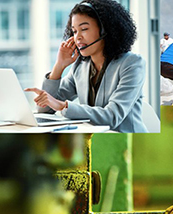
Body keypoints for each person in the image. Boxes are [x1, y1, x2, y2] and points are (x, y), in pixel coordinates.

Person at [25, 0, 148, 133]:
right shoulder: (80, 66)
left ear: (105, 30)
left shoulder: (132, 64)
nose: (78, 37)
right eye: (74, 31)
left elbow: (112, 116)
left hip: (128, 141)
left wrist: (63, 106)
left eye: (84, 29)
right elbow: (46, 109)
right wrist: (59, 66)